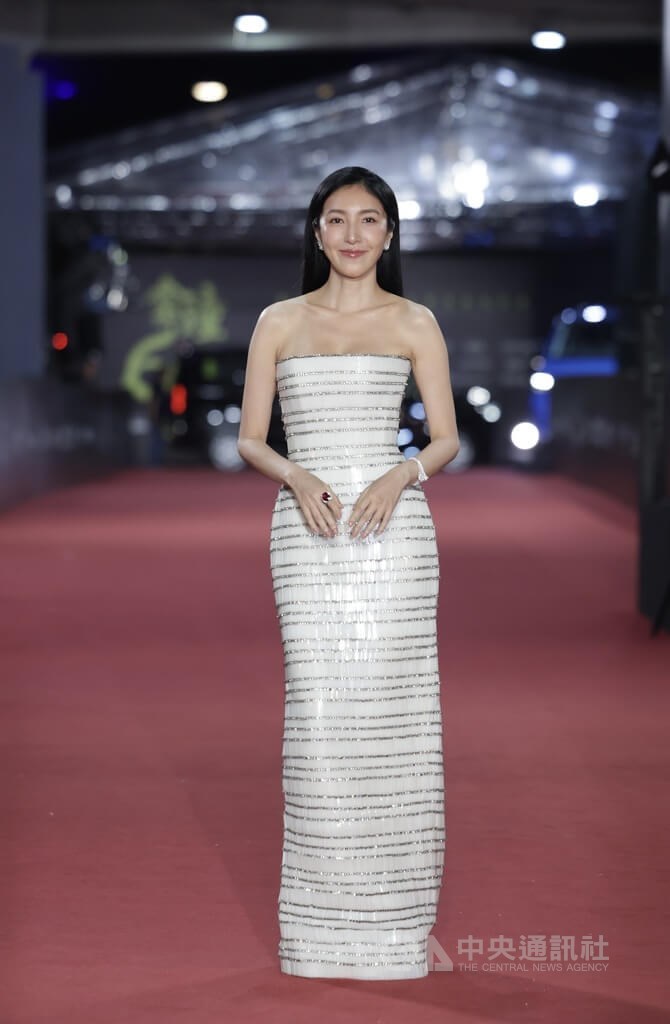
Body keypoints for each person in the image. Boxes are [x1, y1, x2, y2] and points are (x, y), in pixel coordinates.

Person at [237, 166, 460, 980]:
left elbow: (445, 438)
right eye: (338, 220)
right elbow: (251, 440)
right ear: (317, 232)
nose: (354, 234)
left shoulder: (415, 322)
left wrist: (403, 474)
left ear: (390, 235)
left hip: (394, 539)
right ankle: (322, 932)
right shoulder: (278, 322)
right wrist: (295, 476)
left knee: (397, 727)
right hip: (308, 534)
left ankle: (396, 932)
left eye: (370, 220)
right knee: (321, 720)